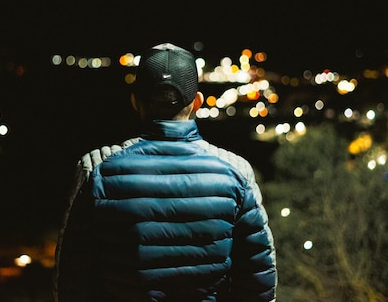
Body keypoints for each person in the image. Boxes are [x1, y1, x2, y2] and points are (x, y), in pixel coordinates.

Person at [54, 42, 277, 302]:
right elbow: (258, 284)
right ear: (196, 102)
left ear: (135, 101)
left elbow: (71, 282)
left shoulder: (96, 171)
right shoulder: (236, 173)